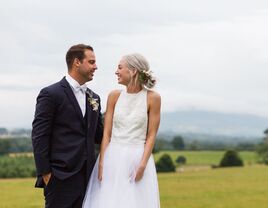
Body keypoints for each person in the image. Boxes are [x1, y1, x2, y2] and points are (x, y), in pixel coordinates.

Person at [83, 53, 161, 208]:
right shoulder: (114, 96)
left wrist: (142, 165)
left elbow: (151, 134)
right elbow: (107, 133)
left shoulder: (153, 98)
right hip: (113, 156)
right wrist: (102, 163)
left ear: (133, 71)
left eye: (120, 67)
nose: (116, 72)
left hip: (137, 156)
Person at [32, 44, 103, 208]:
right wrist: (46, 174)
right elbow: (39, 136)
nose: (96, 67)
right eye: (91, 62)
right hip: (59, 178)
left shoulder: (95, 98)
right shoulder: (50, 94)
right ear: (77, 62)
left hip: (88, 179)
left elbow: (98, 135)